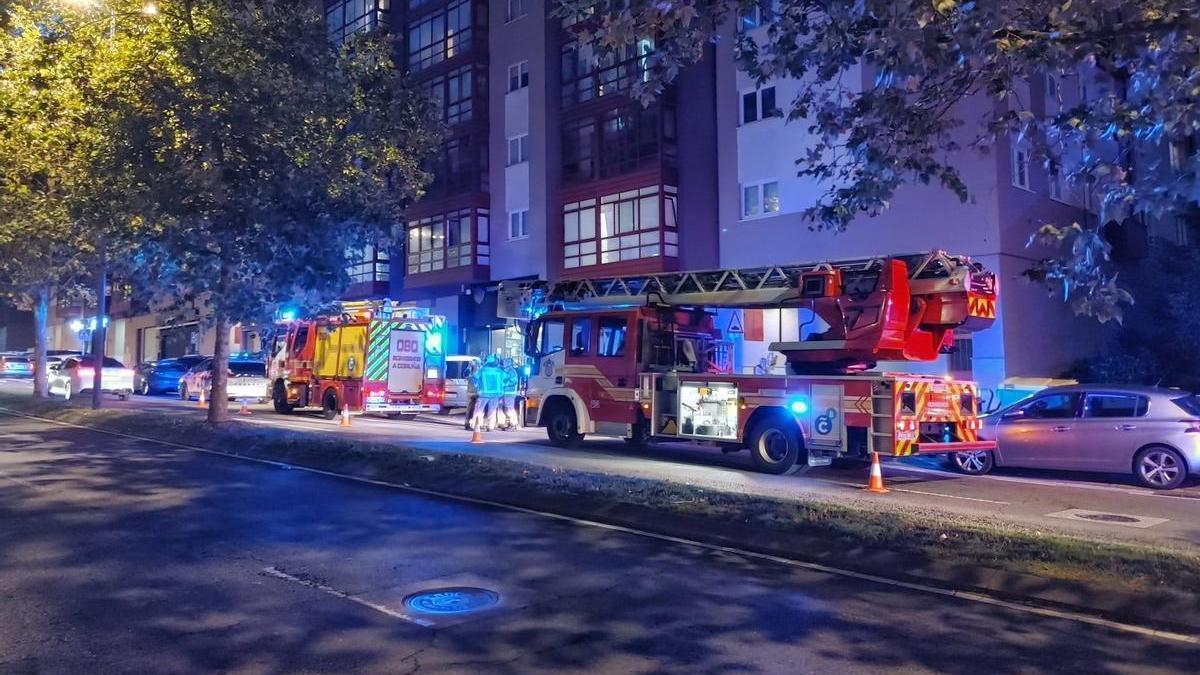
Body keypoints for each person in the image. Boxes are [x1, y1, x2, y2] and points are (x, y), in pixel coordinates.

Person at [474, 355, 505, 432]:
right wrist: (502, 387)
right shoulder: (499, 370)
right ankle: (490, 426)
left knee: (479, 410)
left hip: (484, 393)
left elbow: (475, 377)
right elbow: (507, 378)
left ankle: (477, 425)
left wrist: (477, 386)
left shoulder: (483, 370)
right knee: (492, 411)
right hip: (495, 394)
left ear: (486, 361)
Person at [499, 357, 520, 431]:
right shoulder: (506, 371)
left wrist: (505, 384)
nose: (504, 363)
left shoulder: (512, 371)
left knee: (510, 409)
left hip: (510, 393)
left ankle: (514, 424)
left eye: (505, 362)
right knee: (507, 409)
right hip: (505, 393)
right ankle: (509, 423)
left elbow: (514, 381)